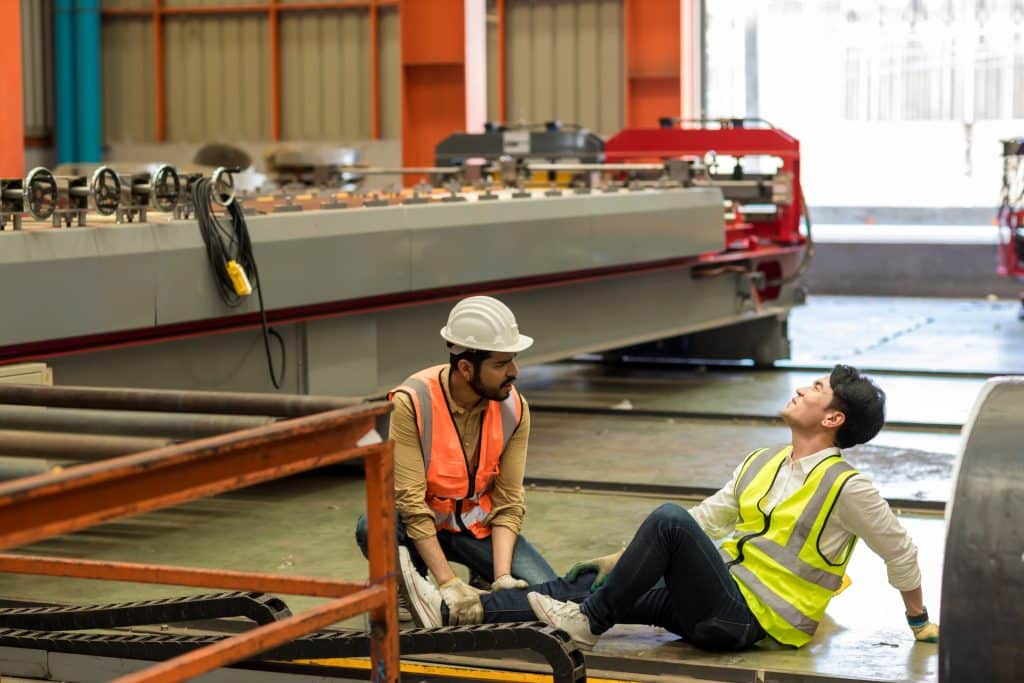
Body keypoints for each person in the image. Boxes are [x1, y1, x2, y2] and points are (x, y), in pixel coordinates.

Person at [398, 365, 941, 650]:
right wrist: (622, 559)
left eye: (816, 388)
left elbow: (900, 550)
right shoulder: (765, 461)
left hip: (752, 623)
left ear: (833, 419)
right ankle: (456, 612)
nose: (801, 389)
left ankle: (590, 623)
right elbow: (709, 518)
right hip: (715, 600)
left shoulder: (848, 488)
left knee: (666, 520)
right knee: (588, 583)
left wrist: (917, 620)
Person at [356, 295, 556, 625]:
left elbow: (508, 501)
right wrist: (448, 583)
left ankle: (484, 576)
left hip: (475, 529)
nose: (514, 372)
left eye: (513, 361)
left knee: (546, 596)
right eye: (501, 364)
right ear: (465, 368)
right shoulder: (413, 401)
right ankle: (405, 582)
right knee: (373, 525)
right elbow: (410, 502)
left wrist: (502, 576)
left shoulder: (514, 408)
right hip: (419, 526)